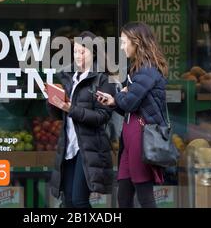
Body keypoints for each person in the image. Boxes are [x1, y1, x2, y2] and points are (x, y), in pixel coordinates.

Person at [96, 22, 169, 208]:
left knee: (144, 195)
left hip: (140, 137)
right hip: (130, 137)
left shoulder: (147, 71)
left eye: (123, 42)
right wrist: (114, 101)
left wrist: (120, 96)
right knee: (124, 195)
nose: (121, 47)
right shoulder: (138, 70)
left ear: (136, 42)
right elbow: (129, 106)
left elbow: (129, 102)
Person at [47, 31, 115, 208]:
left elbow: (102, 116)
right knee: (68, 201)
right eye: (76, 51)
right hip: (69, 146)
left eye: (82, 52)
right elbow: (60, 116)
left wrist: (71, 109)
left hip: (89, 148)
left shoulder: (103, 79)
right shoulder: (70, 77)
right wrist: (54, 102)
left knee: (79, 200)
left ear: (93, 52)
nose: (78, 56)